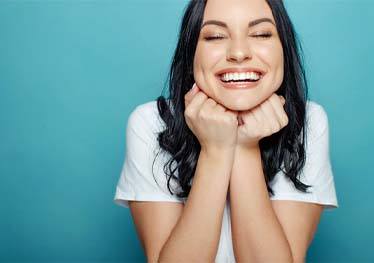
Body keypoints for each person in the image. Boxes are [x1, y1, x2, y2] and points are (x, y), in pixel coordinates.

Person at [113, 0, 339, 262]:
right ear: (191, 54)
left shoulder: (307, 121)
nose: (239, 52)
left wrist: (245, 146)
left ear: (284, 49)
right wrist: (216, 150)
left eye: (261, 34)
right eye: (215, 36)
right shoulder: (152, 122)